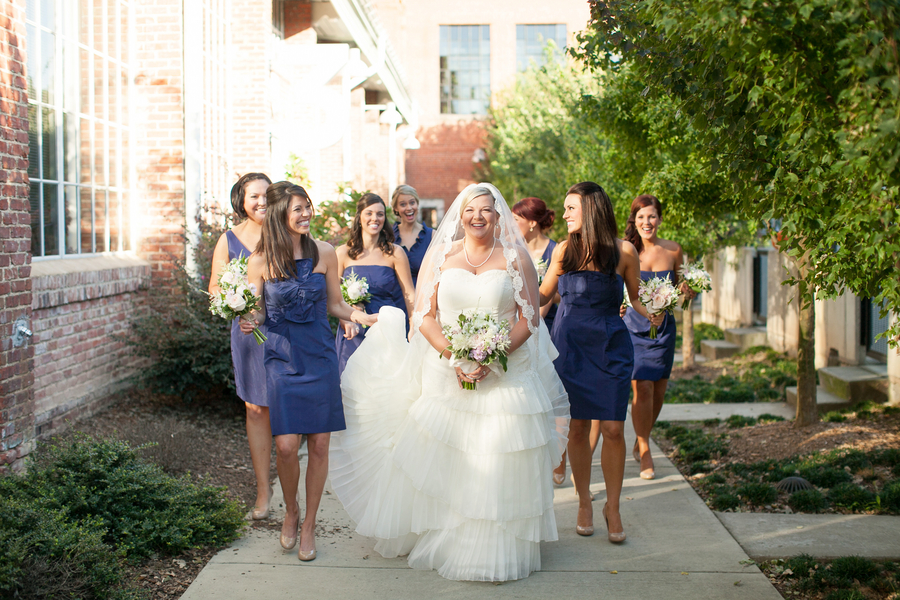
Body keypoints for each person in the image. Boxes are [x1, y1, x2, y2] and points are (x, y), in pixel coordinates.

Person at [330, 183, 570, 581]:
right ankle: (450, 536)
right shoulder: (442, 259)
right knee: (454, 457)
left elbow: (529, 318)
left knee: (499, 455)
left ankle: (494, 546)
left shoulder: (516, 259)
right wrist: (455, 355)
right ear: (460, 217)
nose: (478, 216)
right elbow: (424, 315)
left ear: (498, 216)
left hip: (505, 374)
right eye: (470, 210)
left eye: (486, 210)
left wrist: (492, 356)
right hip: (449, 373)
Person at [240, 181, 377, 562]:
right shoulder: (260, 260)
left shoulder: (325, 252)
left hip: (319, 356)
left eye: (307, 207)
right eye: (297, 209)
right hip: (282, 359)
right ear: (281, 214)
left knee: (319, 444)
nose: (305, 215)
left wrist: (360, 315)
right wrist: (247, 319)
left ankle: (310, 524)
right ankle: (291, 510)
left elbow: (335, 303)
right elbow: (259, 311)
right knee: (285, 446)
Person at [539, 181, 662, 544]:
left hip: (610, 346)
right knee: (576, 429)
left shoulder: (624, 251)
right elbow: (543, 293)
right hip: (570, 347)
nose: (564, 215)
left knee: (612, 428)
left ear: (590, 209)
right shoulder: (564, 250)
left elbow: (637, 298)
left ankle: (613, 506)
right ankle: (583, 502)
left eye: (571, 208)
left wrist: (653, 311)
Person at [208, 172, 273, 521]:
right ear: (241, 201)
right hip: (248, 334)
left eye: (267, 194)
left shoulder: (286, 233)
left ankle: (290, 485)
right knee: (255, 409)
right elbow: (215, 287)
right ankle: (264, 491)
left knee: (283, 406)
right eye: (254, 196)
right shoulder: (228, 240)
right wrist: (234, 303)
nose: (261, 201)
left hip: (282, 331)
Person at [622, 195, 693, 480]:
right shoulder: (627, 251)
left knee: (660, 390)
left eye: (651, 216)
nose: (646, 222)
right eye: (641, 217)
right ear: (634, 221)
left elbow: (680, 287)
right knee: (643, 389)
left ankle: (643, 437)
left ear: (660, 219)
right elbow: (619, 285)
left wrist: (688, 291)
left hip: (663, 328)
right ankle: (644, 447)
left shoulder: (674, 250)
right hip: (633, 328)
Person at [335, 193, 415, 374]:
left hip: (385, 327)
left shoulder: (395, 253)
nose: (375, 218)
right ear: (359, 217)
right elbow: (333, 295)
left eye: (380, 214)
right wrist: (345, 320)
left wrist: (413, 326)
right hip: (352, 329)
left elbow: (409, 293)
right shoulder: (342, 253)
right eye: (369, 213)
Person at [391, 184, 433, 286]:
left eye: (412, 203)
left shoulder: (432, 236)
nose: (409, 208)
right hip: (393, 300)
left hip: (422, 297)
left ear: (417, 204)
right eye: (403, 204)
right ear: (396, 208)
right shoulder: (388, 236)